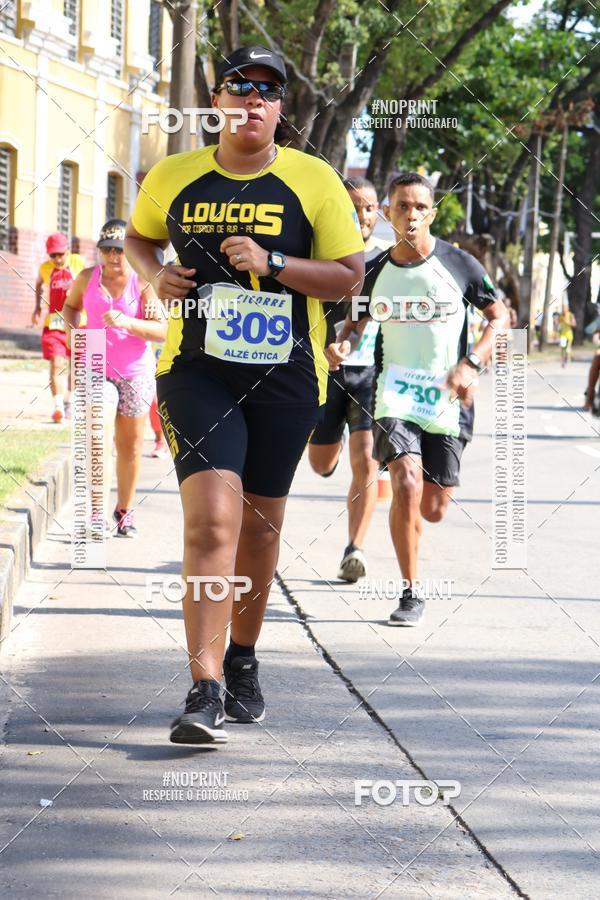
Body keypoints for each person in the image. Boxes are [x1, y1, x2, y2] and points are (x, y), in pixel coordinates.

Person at [124, 46, 364, 746]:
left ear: (281, 108)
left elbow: (347, 277)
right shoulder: (174, 176)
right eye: (239, 88)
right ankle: (203, 688)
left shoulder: (314, 181)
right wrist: (155, 277)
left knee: (259, 530)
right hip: (196, 372)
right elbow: (140, 241)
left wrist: (275, 263)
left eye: (267, 91)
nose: (252, 101)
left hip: (288, 377)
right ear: (218, 102)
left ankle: (244, 655)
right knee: (211, 525)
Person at [338, 172, 508, 626]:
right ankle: (411, 592)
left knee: (432, 508)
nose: (410, 214)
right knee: (406, 485)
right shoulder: (373, 270)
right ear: (386, 214)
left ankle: (414, 539)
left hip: (447, 399)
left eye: (418, 207)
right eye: (401, 206)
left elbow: (500, 316)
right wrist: (342, 345)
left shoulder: (460, 264)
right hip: (394, 392)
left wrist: (471, 363)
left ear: (430, 213)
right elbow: (352, 326)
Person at [308, 176, 391, 582]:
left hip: (369, 376)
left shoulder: (387, 259)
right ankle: (330, 446)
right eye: (355, 206)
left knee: (367, 462)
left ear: (379, 213)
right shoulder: (320, 253)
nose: (362, 215)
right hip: (321, 372)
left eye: (370, 207)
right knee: (321, 464)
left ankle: (354, 549)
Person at [63, 219, 166, 536]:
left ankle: (124, 511)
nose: (111, 257)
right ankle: (96, 515)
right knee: (97, 437)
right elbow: (70, 307)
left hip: (135, 372)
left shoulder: (143, 284)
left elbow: (162, 330)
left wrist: (126, 322)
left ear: (129, 253)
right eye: (106, 250)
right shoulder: (86, 279)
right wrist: (73, 332)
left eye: (118, 251)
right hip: (95, 365)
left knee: (131, 447)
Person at [32, 232, 85, 422]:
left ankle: (69, 401)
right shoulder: (45, 268)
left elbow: (93, 283)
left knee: (77, 366)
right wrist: (37, 306)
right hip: (54, 323)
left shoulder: (79, 263)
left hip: (80, 322)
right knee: (56, 362)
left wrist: (79, 290)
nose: (57, 259)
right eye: (53, 255)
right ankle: (58, 407)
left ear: (68, 250)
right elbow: (38, 284)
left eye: (60, 254)